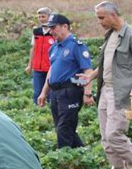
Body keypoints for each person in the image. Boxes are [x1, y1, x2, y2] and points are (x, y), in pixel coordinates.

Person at [87, 1, 132, 169]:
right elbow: (106, 64)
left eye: (101, 18)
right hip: (104, 91)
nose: (99, 22)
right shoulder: (110, 35)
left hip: (121, 92)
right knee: (105, 139)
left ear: (113, 15)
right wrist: (91, 76)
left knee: (114, 134)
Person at [36, 13, 94, 149]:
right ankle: (81, 153)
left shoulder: (76, 46)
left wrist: (88, 93)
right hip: (55, 92)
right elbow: (52, 71)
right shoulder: (54, 47)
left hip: (70, 92)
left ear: (65, 26)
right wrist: (44, 92)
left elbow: (88, 71)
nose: (51, 32)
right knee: (63, 128)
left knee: (64, 128)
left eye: (53, 28)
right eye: (49, 29)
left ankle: (64, 159)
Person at [28, 7, 53, 104]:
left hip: (50, 68)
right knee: (37, 92)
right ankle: (37, 111)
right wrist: (30, 65)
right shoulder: (36, 32)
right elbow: (33, 48)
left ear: (49, 17)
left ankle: (50, 111)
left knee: (50, 92)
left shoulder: (53, 32)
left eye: (43, 16)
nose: (41, 19)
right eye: (39, 17)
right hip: (38, 67)